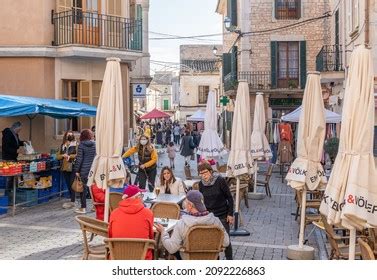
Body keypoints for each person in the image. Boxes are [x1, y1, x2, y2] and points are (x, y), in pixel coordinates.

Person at [156, 190, 229, 260]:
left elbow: (171, 248)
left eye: (185, 202)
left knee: (175, 251)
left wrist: (163, 232)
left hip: (187, 260)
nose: (184, 203)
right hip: (211, 259)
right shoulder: (216, 221)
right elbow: (226, 243)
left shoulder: (182, 224)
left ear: (190, 206)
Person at [197, 161, 234, 260]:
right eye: (201, 174)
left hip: (222, 215)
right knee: (212, 241)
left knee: (226, 240)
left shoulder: (220, 180)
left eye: (205, 173)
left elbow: (230, 198)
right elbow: (201, 201)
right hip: (209, 216)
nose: (204, 176)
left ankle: (230, 259)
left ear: (211, 171)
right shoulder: (201, 184)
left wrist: (230, 214)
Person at [108, 185, 154, 260]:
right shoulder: (148, 213)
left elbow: (110, 236)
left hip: (117, 257)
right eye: (141, 196)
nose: (142, 198)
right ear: (137, 197)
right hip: (142, 258)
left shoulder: (114, 213)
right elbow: (151, 237)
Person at [73, 129, 96, 214]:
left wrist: (77, 170)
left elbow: (79, 159)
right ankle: (95, 206)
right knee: (93, 189)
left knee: (83, 189)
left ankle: (83, 208)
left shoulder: (81, 145)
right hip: (93, 170)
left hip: (84, 170)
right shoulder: (95, 144)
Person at [57, 131, 78, 209]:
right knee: (68, 184)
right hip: (64, 167)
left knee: (72, 183)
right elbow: (57, 156)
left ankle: (73, 200)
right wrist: (63, 155)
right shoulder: (62, 145)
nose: (69, 136)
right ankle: (72, 199)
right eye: (68, 134)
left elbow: (77, 154)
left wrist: (70, 156)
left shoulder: (76, 144)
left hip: (73, 166)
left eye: (71, 134)